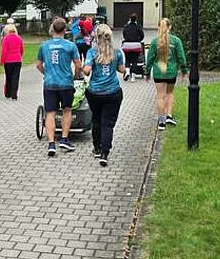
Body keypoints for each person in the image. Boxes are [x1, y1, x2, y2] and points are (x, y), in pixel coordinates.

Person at [36, 18, 82, 156]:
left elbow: (38, 64)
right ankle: (64, 139)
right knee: (67, 110)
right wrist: (76, 76)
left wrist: (46, 73)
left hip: (50, 83)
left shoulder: (44, 46)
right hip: (66, 83)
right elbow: (78, 64)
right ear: (65, 30)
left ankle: (51, 143)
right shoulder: (70, 46)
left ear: (52, 29)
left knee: (50, 112)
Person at [83, 24, 126, 167]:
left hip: (95, 92)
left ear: (96, 37)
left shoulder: (92, 52)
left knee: (96, 119)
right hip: (112, 92)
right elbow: (121, 70)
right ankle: (105, 153)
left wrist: (85, 69)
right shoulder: (117, 52)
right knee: (107, 124)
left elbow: (87, 70)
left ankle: (97, 148)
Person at [145, 18, 188, 130]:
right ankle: (169, 116)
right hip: (171, 72)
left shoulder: (155, 42)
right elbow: (181, 57)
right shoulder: (176, 41)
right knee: (169, 93)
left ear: (158, 27)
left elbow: (150, 59)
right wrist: (184, 71)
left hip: (159, 72)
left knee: (160, 96)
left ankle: (161, 122)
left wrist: (147, 72)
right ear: (170, 27)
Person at [0, 24, 24, 100]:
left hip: (8, 61)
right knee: (16, 77)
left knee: (8, 77)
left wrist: (2, 61)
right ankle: (14, 95)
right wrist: (19, 56)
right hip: (17, 60)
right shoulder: (19, 38)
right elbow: (22, 49)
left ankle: (8, 93)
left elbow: (4, 51)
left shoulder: (6, 39)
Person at [121, 13, 146, 81]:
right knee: (135, 60)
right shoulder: (138, 26)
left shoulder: (126, 26)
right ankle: (133, 77)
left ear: (130, 19)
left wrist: (128, 39)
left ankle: (127, 72)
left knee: (127, 59)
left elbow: (124, 35)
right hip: (136, 45)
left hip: (127, 45)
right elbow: (142, 35)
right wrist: (138, 40)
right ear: (136, 19)